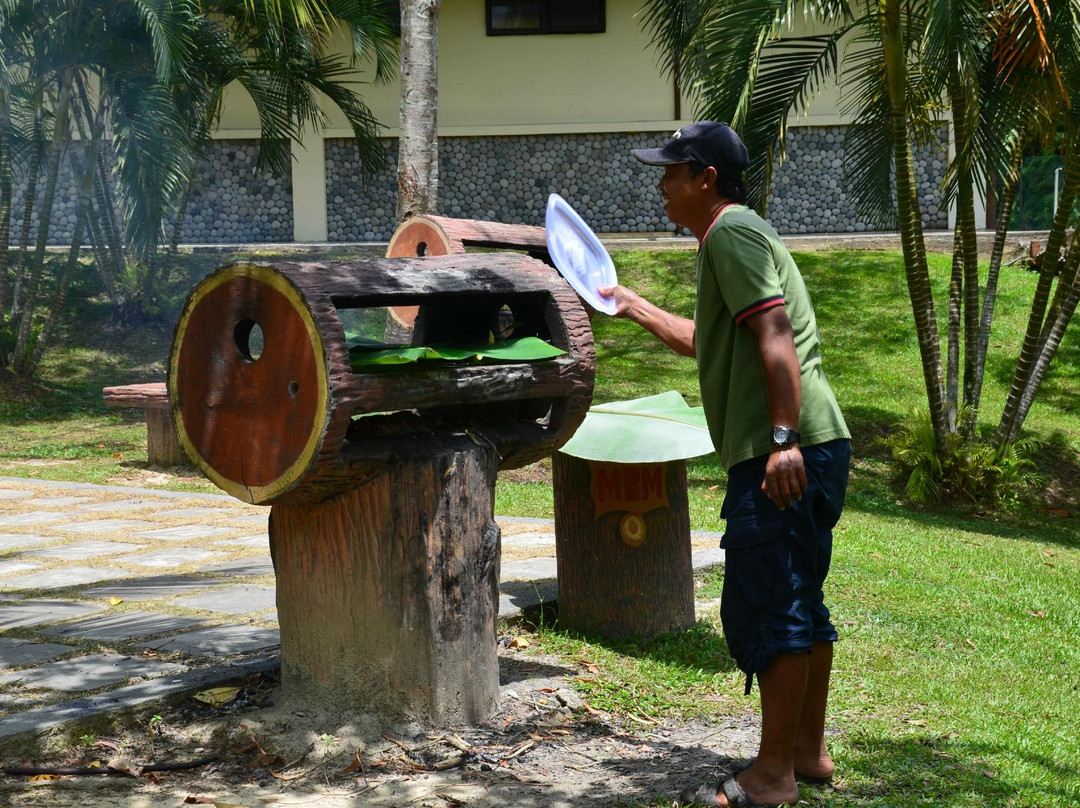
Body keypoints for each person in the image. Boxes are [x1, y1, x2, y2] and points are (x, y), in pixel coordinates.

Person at [598, 121, 851, 808]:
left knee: (775, 601)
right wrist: (634, 305)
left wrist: (781, 440)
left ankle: (773, 775)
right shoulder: (736, 235)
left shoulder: (730, 234)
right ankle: (805, 753)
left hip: (787, 448)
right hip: (815, 442)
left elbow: (775, 333)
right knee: (800, 597)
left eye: (671, 171)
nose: (661, 184)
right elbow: (706, 342)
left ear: (705, 178)